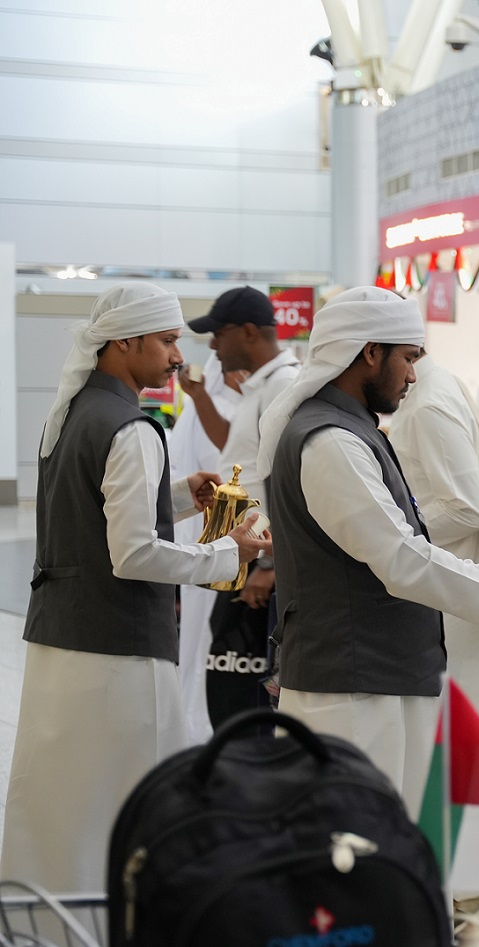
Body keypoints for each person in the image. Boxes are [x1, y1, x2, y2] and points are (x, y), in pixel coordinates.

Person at [257, 286, 479, 817]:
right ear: (368, 352)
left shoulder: (351, 431)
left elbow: (399, 543)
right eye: (407, 358)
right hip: (354, 687)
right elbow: (400, 559)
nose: (412, 375)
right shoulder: (331, 442)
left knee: (393, 860)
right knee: (363, 862)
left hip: (376, 678)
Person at [0, 282, 270, 893]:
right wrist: (229, 551)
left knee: (61, 797)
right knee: (134, 803)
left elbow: (90, 520)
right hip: (118, 651)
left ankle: (50, 918)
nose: (180, 356)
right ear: (125, 341)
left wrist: (177, 496)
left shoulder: (69, 413)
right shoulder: (133, 428)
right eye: (169, 340)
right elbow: (135, 555)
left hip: (58, 639)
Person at [386, 356, 479, 768]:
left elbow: (466, 509)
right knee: (468, 732)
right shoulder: (434, 387)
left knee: (470, 737)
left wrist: (392, 533)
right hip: (459, 589)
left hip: (462, 594)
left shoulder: (428, 401)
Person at [179, 286, 301, 726]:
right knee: (230, 668)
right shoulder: (262, 386)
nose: (212, 345)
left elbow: (287, 483)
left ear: (248, 332)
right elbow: (239, 454)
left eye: (219, 333)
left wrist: (268, 564)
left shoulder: (285, 386)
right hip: (244, 554)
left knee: (252, 676)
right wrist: (200, 398)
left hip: (260, 559)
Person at [168, 352, 245, 742]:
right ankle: (196, 724)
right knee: (203, 637)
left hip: (219, 541)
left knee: (209, 636)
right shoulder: (209, 412)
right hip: (212, 538)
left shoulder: (226, 407)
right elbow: (226, 474)